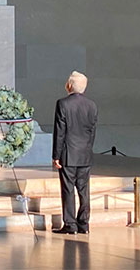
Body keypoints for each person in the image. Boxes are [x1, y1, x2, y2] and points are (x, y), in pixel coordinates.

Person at [52, 70, 98, 235]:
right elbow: (92, 133)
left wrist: (56, 156)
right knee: (83, 190)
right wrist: (88, 149)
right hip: (85, 154)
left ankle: (70, 225)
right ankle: (84, 224)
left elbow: (60, 132)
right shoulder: (92, 105)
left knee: (68, 190)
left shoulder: (63, 104)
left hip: (68, 154)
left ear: (69, 85)